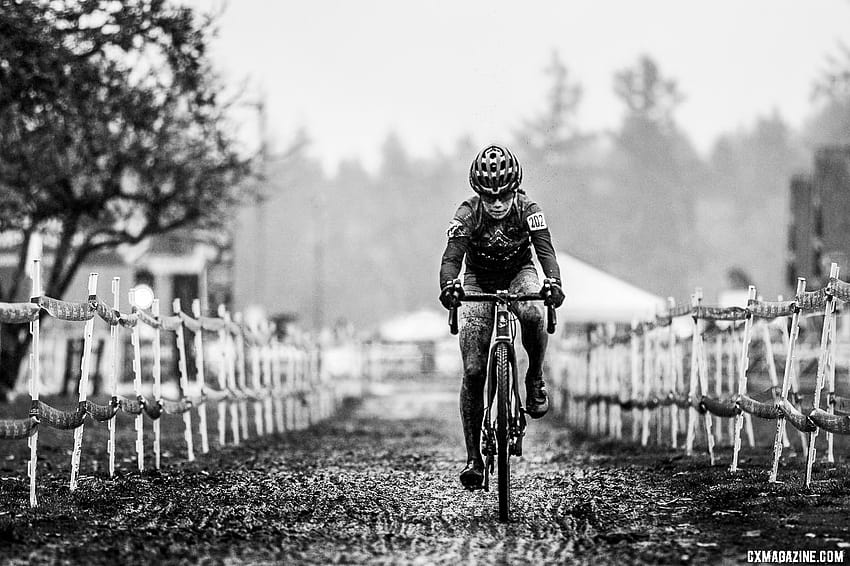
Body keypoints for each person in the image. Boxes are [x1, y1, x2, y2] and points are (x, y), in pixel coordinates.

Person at [438, 144, 565, 491]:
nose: (496, 204)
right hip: (478, 279)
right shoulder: (466, 213)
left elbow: (545, 251)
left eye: (504, 196)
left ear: (515, 190)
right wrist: (449, 286)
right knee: (474, 369)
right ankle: (473, 459)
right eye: (489, 197)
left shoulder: (529, 210)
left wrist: (553, 282)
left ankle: (534, 376)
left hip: (518, 273)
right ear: (479, 194)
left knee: (533, 313)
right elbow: (451, 259)